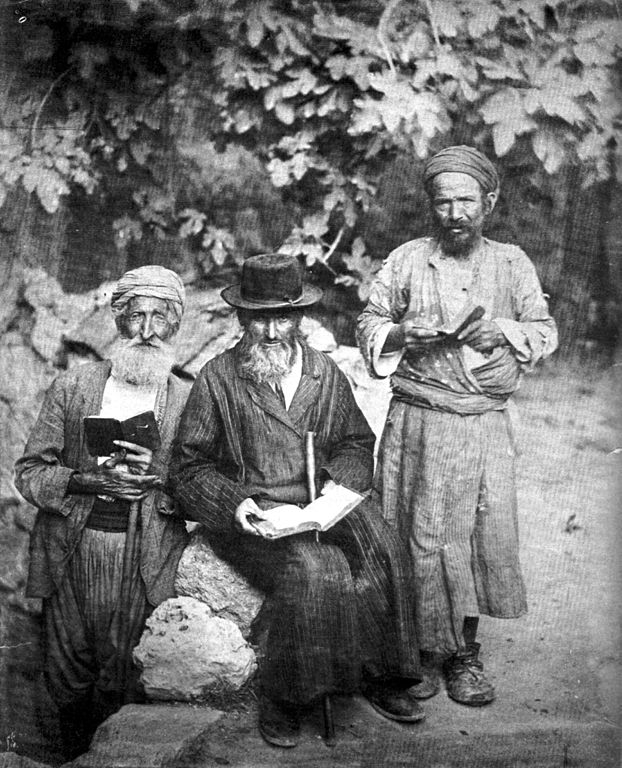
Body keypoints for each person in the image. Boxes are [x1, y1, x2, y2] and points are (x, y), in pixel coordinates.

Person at [170, 253, 423, 749]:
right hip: (259, 516)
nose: (271, 332)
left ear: (299, 318)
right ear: (243, 319)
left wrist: (335, 492)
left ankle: (384, 674)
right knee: (316, 569)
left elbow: (354, 441)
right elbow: (189, 467)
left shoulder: (322, 372)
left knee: (384, 545)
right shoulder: (219, 378)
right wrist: (236, 505)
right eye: (260, 318)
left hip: (318, 498)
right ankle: (287, 697)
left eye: (282, 317)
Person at [357, 145, 558, 707]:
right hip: (418, 419)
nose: (455, 214)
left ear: (489, 201)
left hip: (480, 424)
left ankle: (464, 655)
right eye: (443, 203)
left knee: (473, 537)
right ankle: (413, 653)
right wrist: (399, 336)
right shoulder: (406, 260)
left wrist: (506, 333)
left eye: (466, 201)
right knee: (412, 531)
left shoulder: (512, 263)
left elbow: (544, 329)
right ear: (430, 205)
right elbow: (369, 320)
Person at [15, 265, 190, 760]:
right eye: (136, 315)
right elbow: (29, 472)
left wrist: (156, 477)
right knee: (64, 675)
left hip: (145, 555)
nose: (148, 331)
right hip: (72, 550)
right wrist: (84, 480)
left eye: (161, 317)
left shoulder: (187, 399)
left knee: (126, 676)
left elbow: (201, 488)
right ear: (118, 320)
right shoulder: (76, 387)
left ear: (176, 324)